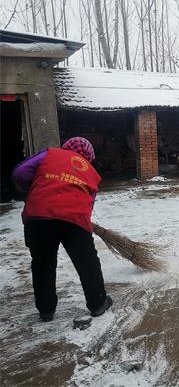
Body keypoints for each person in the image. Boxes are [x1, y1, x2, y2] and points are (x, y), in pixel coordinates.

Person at [11, 137, 112, 322]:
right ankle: (98, 303)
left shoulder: (49, 154)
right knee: (87, 262)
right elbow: (90, 203)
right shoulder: (91, 171)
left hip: (38, 216)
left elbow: (19, 173)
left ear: (65, 147)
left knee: (43, 263)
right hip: (74, 219)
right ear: (89, 156)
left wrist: (33, 189)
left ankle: (46, 310)